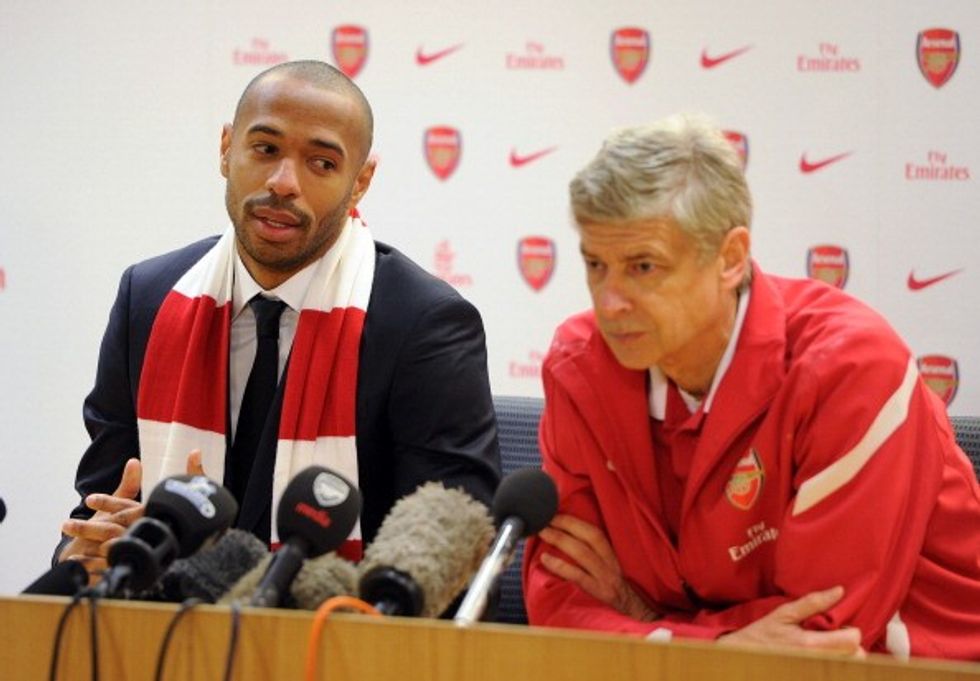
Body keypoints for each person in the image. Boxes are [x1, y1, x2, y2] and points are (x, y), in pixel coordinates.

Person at [523, 113, 980, 660]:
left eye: (643, 267)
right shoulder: (580, 366)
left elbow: (818, 636)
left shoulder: (850, 368)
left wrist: (648, 624)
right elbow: (559, 599)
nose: (610, 301)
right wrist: (706, 646)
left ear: (731, 259)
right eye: (596, 265)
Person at [56, 60, 501, 581]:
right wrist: (87, 554)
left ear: (361, 181)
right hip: (160, 627)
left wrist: (204, 564)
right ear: (227, 149)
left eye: (322, 163)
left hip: (335, 627)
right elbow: (96, 509)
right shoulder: (149, 298)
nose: (283, 183)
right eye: (265, 149)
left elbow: (452, 567)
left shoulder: (424, 325)